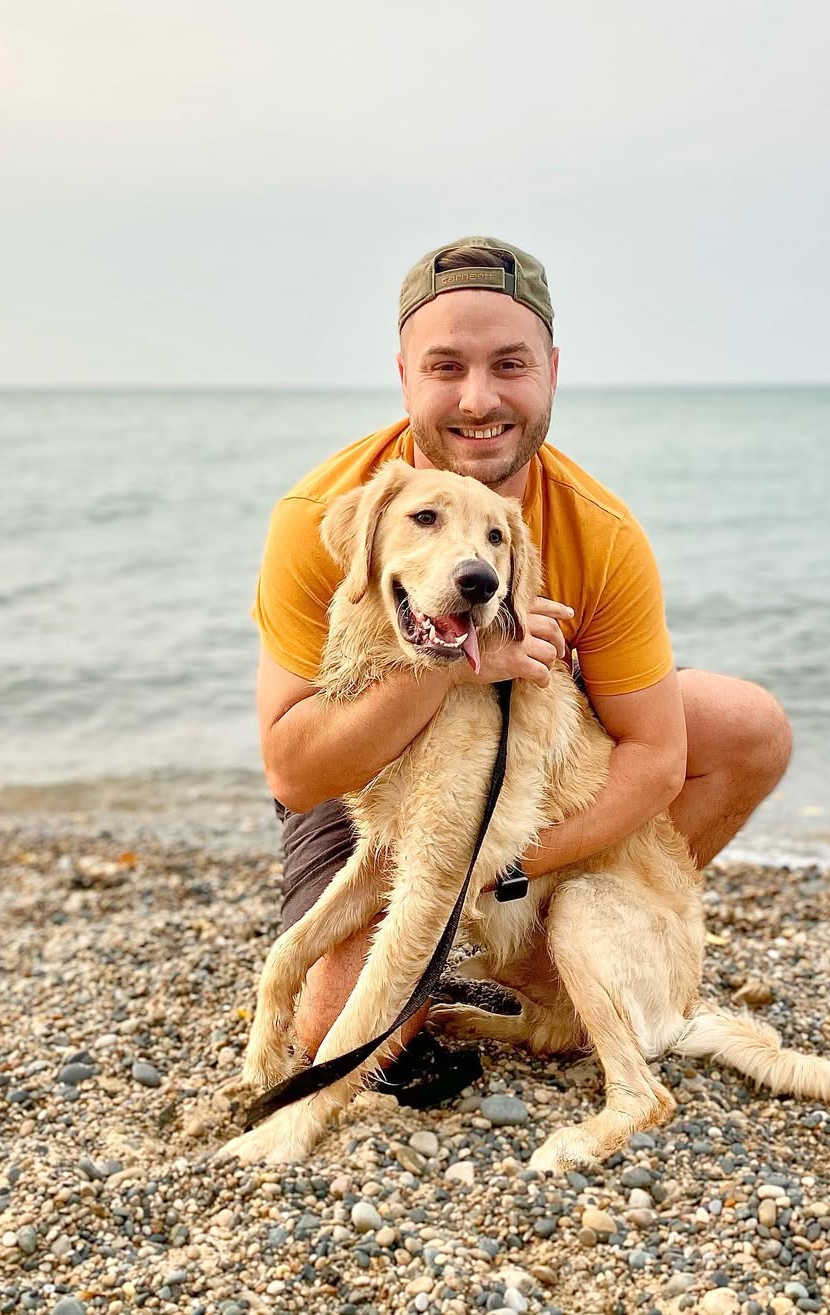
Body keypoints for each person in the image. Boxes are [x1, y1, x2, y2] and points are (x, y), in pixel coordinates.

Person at [252, 236, 792, 1104]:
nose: (479, 398)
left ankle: (570, 951)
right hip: (372, 777)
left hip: (526, 782)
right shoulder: (330, 514)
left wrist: (497, 869)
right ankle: (478, 954)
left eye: (509, 363)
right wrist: (454, 664)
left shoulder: (599, 532)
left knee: (742, 724)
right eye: (446, 367)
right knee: (329, 1029)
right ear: (403, 377)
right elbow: (295, 766)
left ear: (551, 370)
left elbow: (655, 756)